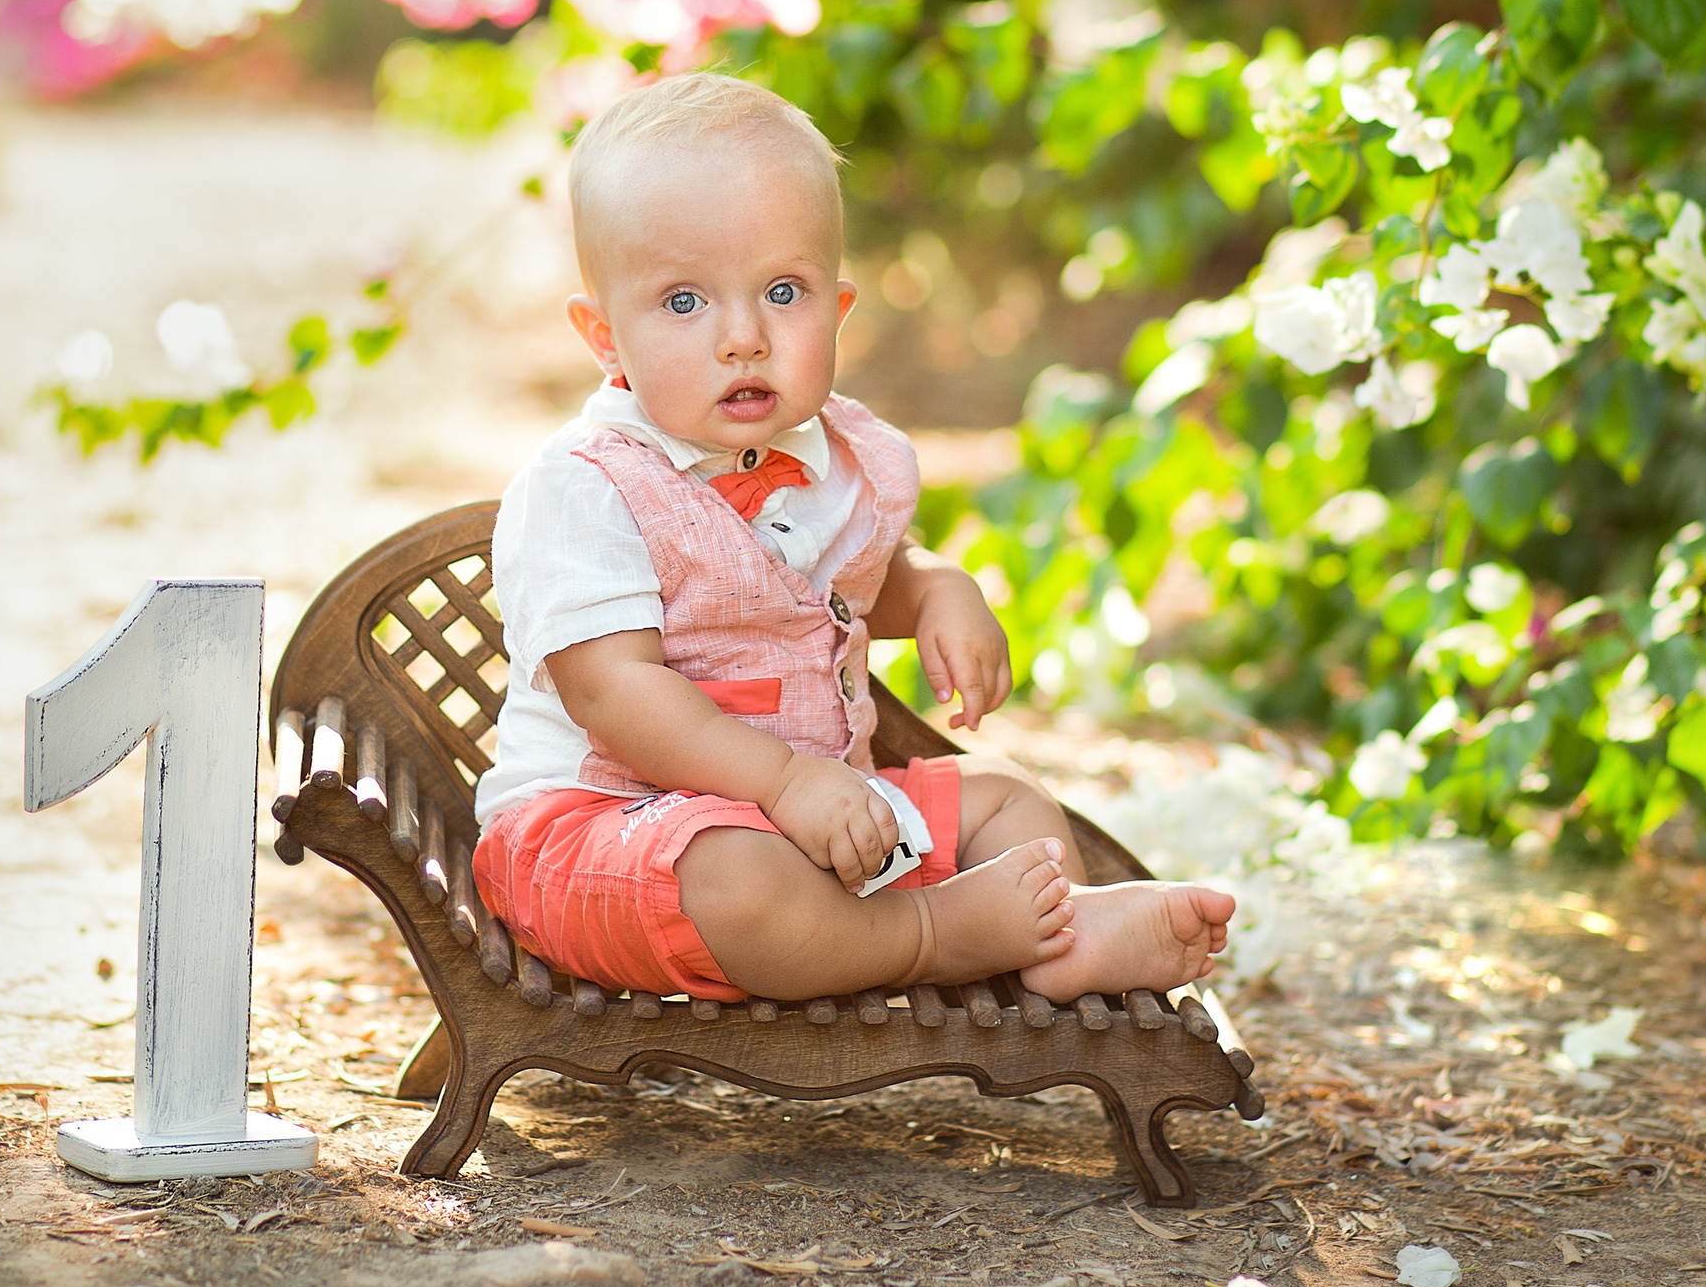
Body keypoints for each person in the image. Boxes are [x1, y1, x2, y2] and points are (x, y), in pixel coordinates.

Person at [472, 72, 1234, 1004]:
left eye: (781, 291)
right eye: (683, 302)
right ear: (604, 336)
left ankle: (1064, 932)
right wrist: (785, 784)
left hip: (815, 811)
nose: (743, 337)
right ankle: (932, 935)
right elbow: (614, 691)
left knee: (1008, 797)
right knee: (739, 877)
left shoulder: (834, 457)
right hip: (608, 833)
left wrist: (941, 587)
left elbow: (863, 576)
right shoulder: (586, 487)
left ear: (836, 312)